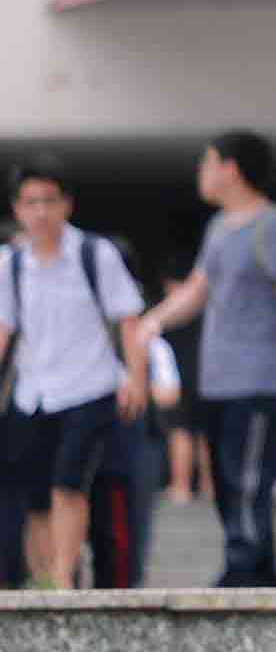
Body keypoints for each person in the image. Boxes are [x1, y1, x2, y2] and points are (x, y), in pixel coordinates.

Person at [135, 131, 276, 588]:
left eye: (207, 163)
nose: (202, 173)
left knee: (251, 478)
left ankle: (241, 568)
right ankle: (262, 572)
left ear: (231, 169)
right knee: (226, 480)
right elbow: (198, 290)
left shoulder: (274, 227)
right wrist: (151, 321)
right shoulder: (218, 228)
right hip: (219, 379)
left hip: (260, 379)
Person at [0, 157, 149, 588]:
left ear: (66, 204)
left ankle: (65, 579)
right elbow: (5, 330)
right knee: (34, 497)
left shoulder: (94, 254)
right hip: (33, 392)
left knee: (68, 482)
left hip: (89, 386)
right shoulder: (10, 265)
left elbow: (128, 318)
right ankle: (45, 578)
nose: (40, 213)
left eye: (49, 201)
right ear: (17, 209)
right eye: (30, 203)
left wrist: (136, 378)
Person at [84, 239, 181, 590]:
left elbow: (168, 394)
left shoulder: (148, 339)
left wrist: (135, 386)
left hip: (132, 442)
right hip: (84, 434)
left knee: (126, 535)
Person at [158, 258, 211, 508]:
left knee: (180, 430)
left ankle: (181, 486)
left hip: (175, 379)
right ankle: (209, 486)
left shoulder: (167, 313)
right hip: (208, 376)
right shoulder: (206, 309)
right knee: (205, 432)